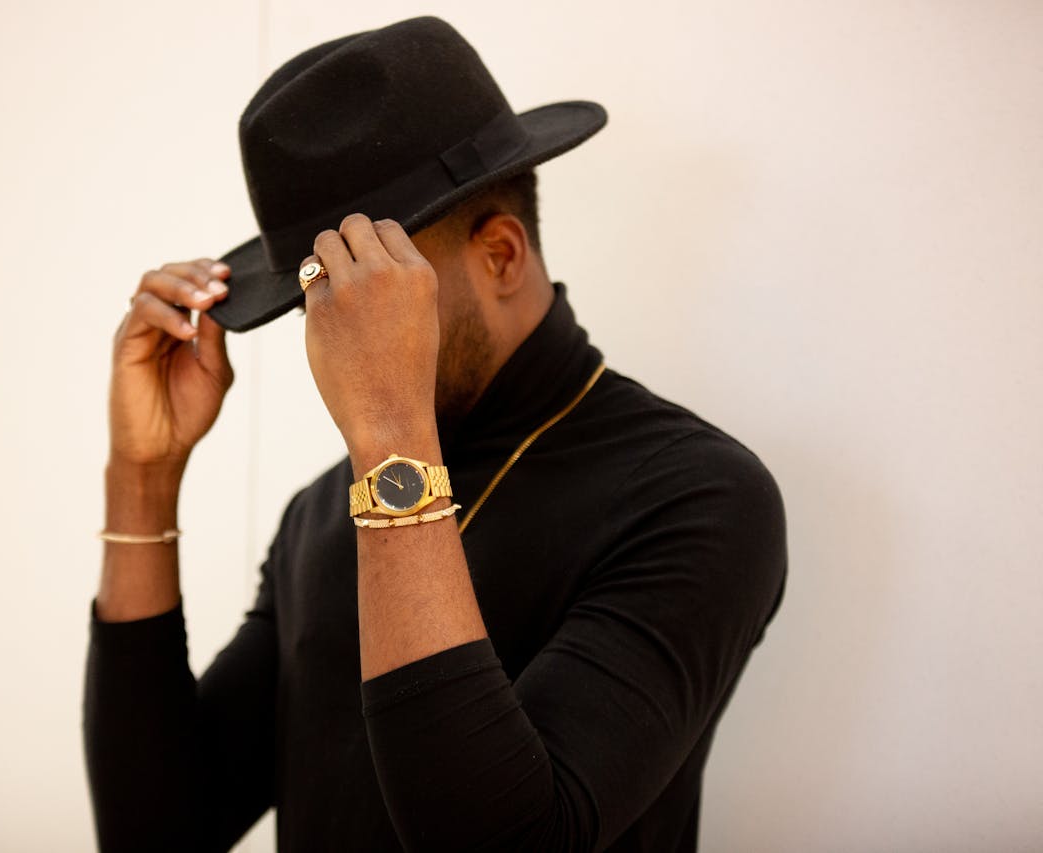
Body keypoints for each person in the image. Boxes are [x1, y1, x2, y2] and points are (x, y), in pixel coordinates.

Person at [83, 15, 787, 853]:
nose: (333, 331)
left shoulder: (697, 496)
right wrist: (144, 473)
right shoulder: (322, 513)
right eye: (316, 298)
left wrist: (388, 435)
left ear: (501, 255)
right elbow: (156, 831)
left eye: (367, 285)